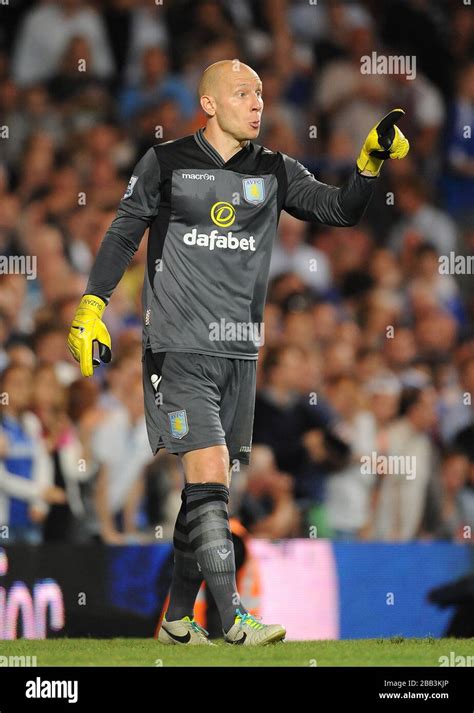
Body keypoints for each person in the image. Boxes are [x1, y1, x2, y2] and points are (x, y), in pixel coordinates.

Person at [67, 59, 409, 645]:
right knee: (209, 480)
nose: (257, 103)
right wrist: (92, 306)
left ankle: (176, 619)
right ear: (209, 104)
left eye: (260, 92)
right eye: (242, 92)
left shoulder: (274, 169)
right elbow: (125, 229)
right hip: (177, 349)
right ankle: (232, 621)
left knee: (204, 492)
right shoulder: (166, 163)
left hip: (239, 358)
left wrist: (369, 161)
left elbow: (341, 210)